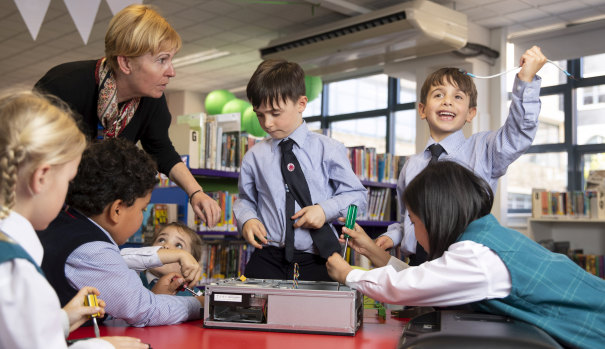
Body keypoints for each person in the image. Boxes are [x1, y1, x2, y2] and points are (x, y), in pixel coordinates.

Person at [327, 161, 605, 349]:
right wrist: (375, 252)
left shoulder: (477, 257)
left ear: (435, 217)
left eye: (413, 220)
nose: (412, 229)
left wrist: (347, 273)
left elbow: (405, 287)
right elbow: (431, 277)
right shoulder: (482, 238)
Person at [34, 4, 220, 228]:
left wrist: (196, 193)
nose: (172, 71)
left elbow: (161, 150)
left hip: (88, 210)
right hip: (39, 201)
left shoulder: (152, 100)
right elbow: (30, 154)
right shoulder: (65, 85)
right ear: (125, 63)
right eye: (162, 60)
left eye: (171, 60)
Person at [0, 90, 147, 348]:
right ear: (42, 178)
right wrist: (106, 347)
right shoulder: (15, 270)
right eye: (68, 180)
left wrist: (63, 318)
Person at [375, 46, 547, 265]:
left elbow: (519, 132)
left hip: (465, 265)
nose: (447, 101)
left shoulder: (484, 150)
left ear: (470, 113)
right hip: (418, 265)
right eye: (438, 95)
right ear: (422, 109)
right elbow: (407, 220)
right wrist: (393, 236)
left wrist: (526, 81)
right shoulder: (411, 166)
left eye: (457, 97)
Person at [38, 138, 203, 327]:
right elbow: (145, 311)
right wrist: (201, 304)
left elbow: (119, 258)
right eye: (142, 209)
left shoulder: (65, 222)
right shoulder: (93, 250)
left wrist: (172, 255)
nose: (142, 216)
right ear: (117, 210)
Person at [232, 59, 367, 281]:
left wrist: (324, 210)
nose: (267, 123)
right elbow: (246, 199)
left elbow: (357, 196)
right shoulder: (254, 157)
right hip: (268, 256)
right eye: (259, 114)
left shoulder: (329, 149)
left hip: (318, 258)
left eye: (275, 113)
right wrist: (247, 219)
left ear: (301, 104)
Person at [136, 222, 204, 295]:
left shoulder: (195, 294)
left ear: (191, 264)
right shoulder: (133, 279)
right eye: (161, 240)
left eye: (178, 245)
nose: (166, 245)